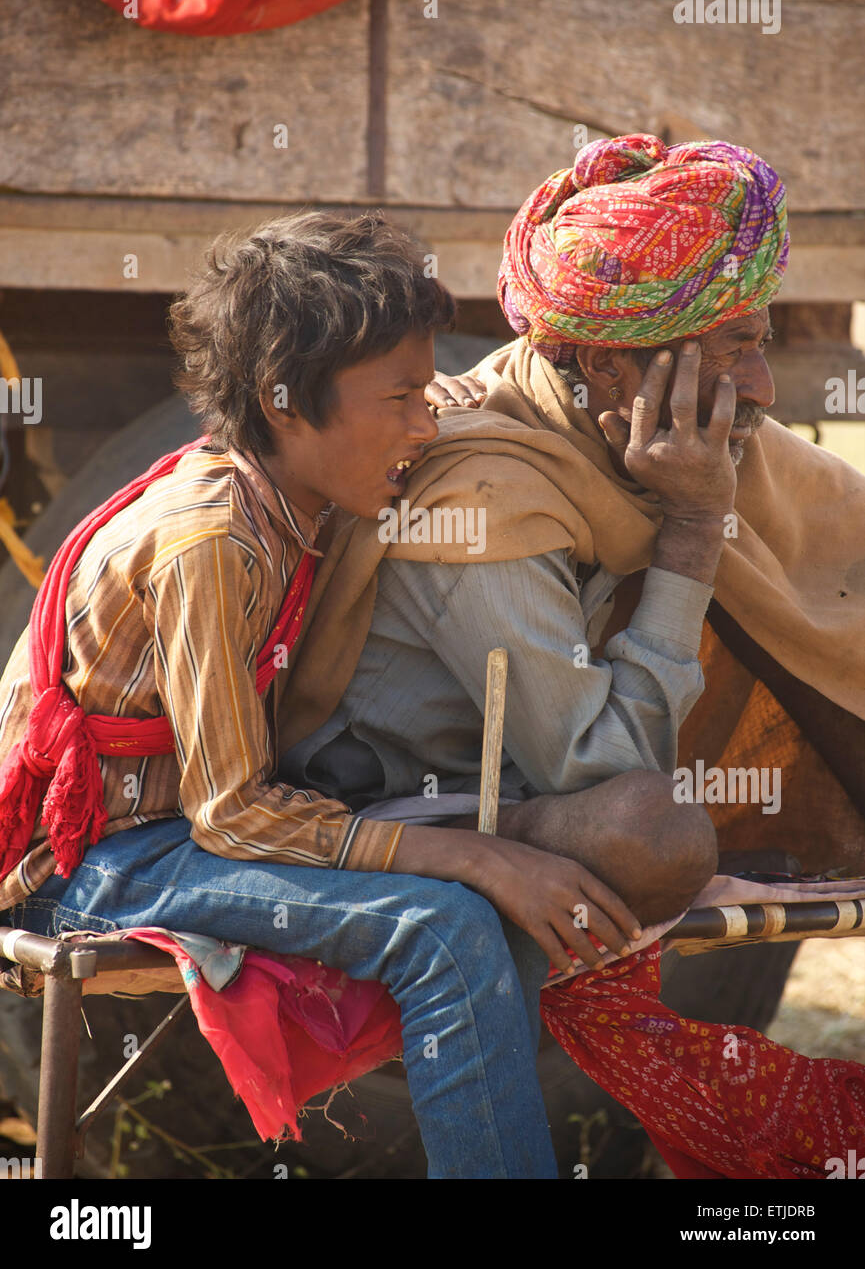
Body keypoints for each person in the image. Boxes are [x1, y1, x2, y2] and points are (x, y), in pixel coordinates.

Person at [0, 209, 646, 1180]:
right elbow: (232, 811)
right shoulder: (211, 539)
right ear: (285, 398)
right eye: (400, 398)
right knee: (445, 925)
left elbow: (464, 394)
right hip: (98, 860)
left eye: (427, 394)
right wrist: (472, 856)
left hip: (180, 835)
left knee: (496, 890)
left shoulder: (292, 492)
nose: (425, 424)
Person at [276, 135, 865, 887]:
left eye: (759, 344)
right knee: (649, 830)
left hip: (526, 790)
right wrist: (690, 528)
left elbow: (838, 538)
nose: (761, 387)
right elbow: (602, 769)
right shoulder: (480, 495)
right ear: (601, 364)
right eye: (733, 348)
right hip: (405, 813)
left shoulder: (650, 419)